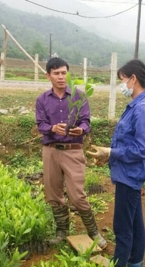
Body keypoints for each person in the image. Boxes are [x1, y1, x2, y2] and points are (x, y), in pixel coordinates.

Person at [87, 59, 145, 267]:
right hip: (128, 174)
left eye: (122, 80)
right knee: (135, 224)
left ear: (133, 79)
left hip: (130, 176)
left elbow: (143, 149)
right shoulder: (138, 105)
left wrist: (111, 151)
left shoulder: (143, 109)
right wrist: (109, 154)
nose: (122, 85)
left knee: (123, 228)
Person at [35, 57, 107, 249]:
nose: (60, 77)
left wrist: (81, 130)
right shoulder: (42, 100)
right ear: (48, 76)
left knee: (77, 195)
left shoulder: (79, 96)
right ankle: (61, 232)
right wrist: (52, 128)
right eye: (56, 73)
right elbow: (40, 124)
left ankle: (93, 232)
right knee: (53, 193)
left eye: (63, 72)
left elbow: (86, 121)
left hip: (73, 150)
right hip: (50, 151)